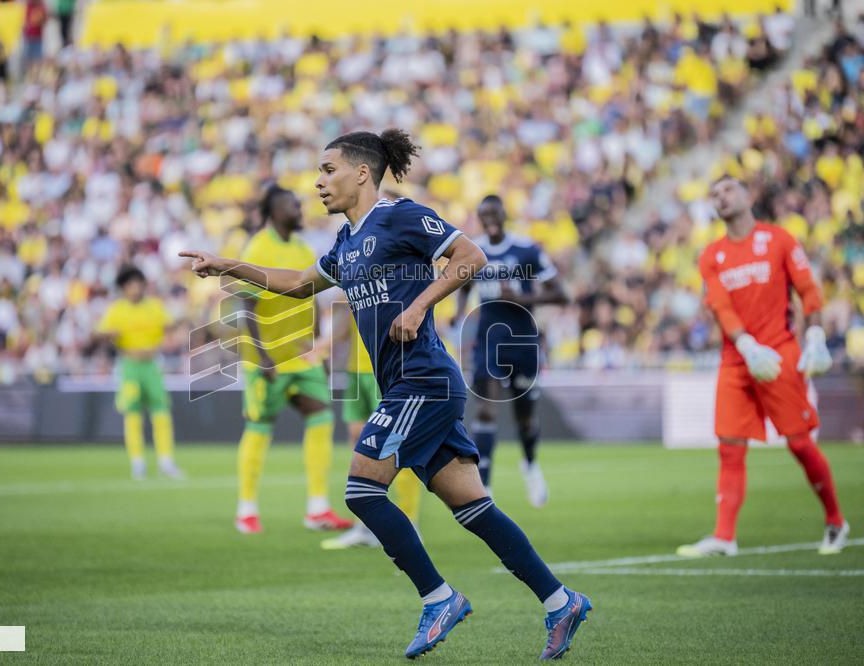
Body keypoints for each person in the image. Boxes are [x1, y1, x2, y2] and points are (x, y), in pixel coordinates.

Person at [180, 129, 592, 660]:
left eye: (328, 169)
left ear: (360, 172)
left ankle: (438, 597)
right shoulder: (346, 244)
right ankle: (561, 602)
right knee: (473, 507)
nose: (318, 181)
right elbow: (298, 282)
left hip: (424, 379)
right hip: (408, 385)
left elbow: (469, 257)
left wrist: (420, 305)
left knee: (361, 491)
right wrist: (228, 264)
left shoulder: (398, 215)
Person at [678, 175, 849, 557]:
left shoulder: (779, 240)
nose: (721, 197)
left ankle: (836, 520)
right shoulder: (712, 256)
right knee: (730, 446)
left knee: (800, 443)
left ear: (746, 193)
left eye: (727, 189)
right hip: (737, 361)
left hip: (780, 354)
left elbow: (808, 288)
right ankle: (724, 536)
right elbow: (719, 304)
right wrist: (744, 343)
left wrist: (816, 334)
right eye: (715, 194)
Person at [231, 185, 353, 534]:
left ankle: (317, 507)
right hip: (266, 360)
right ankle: (247, 510)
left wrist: (319, 347)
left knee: (321, 418)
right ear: (273, 210)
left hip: (302, 357)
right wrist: (263, 357)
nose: (299, 209)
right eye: (292, 205)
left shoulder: (302, 247)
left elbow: (311, 295)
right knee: (260, 426)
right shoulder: (257, 247)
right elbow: (246, 306)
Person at [452, 195, 569, 506]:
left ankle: (530, 465)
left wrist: (522, 300)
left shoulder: (526, 250)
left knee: (526, 417)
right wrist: (459, 311)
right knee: (486, 410)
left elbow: (560, 294)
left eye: (494, 213)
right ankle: (484, 488)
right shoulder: (474, 252)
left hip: (523, 341)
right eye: (483, 214)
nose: (489, 219)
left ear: (504, 214)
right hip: (489, 341)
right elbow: (463, 286)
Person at [321, 304, 423, 549]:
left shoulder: (405, 275)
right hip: (356, 371)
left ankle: (410, 523)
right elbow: (348, 320)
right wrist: (323, 346)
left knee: (396, 446)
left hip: (387, 369)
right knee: (359, 444)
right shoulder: (354, 272)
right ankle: (365, 527)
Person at [91, 266, 183, 480]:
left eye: (138, 283)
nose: (136, 288)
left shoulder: (154, 307)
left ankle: (166, 461)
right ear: (124, 288)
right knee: (132, 413)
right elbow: (98, 334)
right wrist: (107, 335)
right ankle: (138, 462)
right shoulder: (117, 310)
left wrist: (169, 338)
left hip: (152, 364)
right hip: (130, 365)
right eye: (131, 284)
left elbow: (171, 329)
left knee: (161, 411)